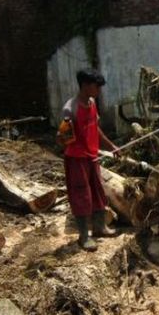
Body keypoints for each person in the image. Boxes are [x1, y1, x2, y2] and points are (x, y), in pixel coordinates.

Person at [56, 69, 120, 251]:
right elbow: (62, 138)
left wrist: (111, 147)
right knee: (81, 195)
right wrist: (63, 135)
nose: (99, 90)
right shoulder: (71, 108)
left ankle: (99, 227)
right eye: (96, 86)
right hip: (77, 159)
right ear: (85, 85)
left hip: (92, 156)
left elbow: (95, 128)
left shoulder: (91, 103)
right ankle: (84, 236)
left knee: (98, 191)